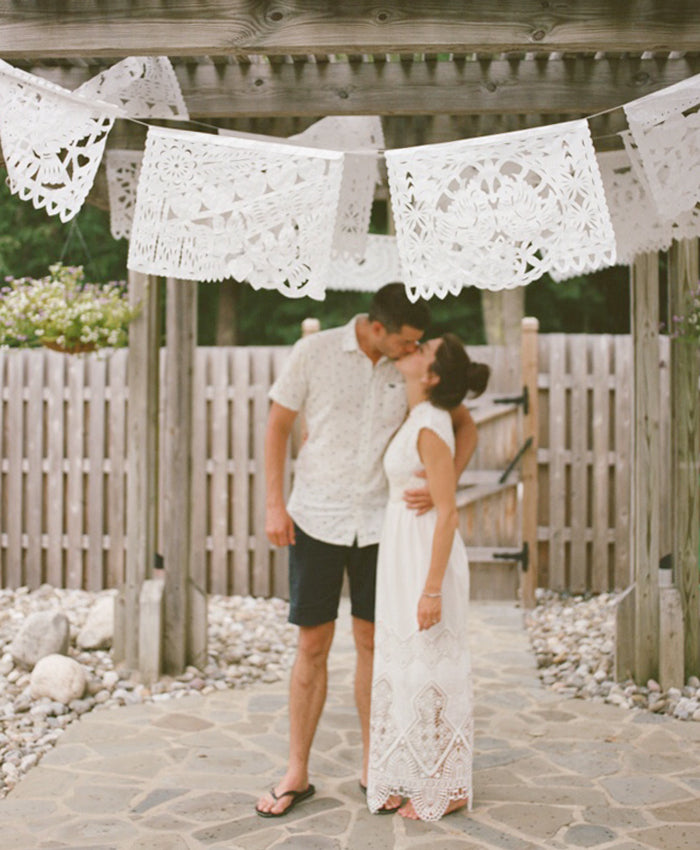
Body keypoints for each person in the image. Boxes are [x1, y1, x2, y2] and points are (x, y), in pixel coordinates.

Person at [255, 285, 478, 817]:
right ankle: (296, 772)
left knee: (374, 643)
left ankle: (378, 766)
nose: (414, 349)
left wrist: (443, 484)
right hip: (316, 515)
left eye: (417, 344)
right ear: (378, 329)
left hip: (384, 528)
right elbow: (278, 425)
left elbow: (462, 425)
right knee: (312, 644)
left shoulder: (413, 375)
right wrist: (273, 505)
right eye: (407, 341)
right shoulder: (315, 352)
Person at [366, 333, 489, 822]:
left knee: (433, 664)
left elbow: (449, 515)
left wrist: (432, 588)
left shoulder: (433, 425)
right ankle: (411, 772)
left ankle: (447, 786)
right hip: (401, 546)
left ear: (431, 374)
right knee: (406, 663)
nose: (414, 347)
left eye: (424, 349)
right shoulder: (419, 416)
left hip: (424, 554)